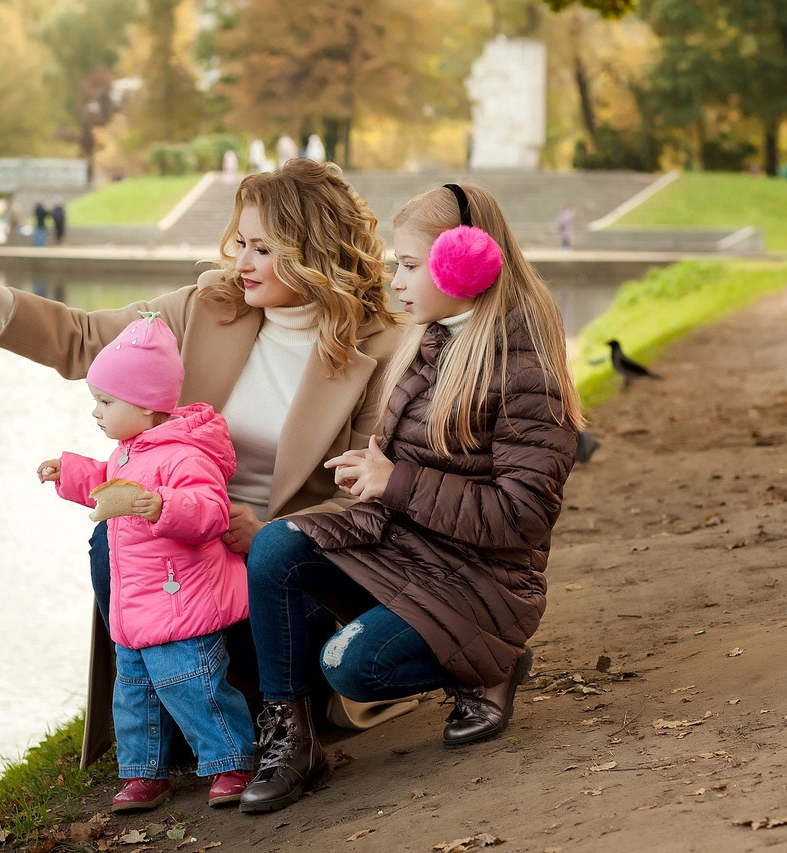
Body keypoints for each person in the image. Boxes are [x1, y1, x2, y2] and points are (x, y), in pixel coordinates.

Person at [0, 157, 405, 767]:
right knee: (110, 540)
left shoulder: (380, 347)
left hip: (289, 560)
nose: (242, 262)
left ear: (315, 253)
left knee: (271, 569)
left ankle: (264, 707)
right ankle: (159, 726)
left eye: (262, 248)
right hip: (186, 535)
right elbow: (86, 339)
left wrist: (272, 534)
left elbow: (365, 492)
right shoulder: (206, 308)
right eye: (241, 243)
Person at [235, 182, 584, 814]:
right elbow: (415, 468)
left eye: (410, 265)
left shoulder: (524, 368)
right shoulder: (431, 338)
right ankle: (292, 739)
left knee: (352, 668)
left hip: (479, 583)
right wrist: (372, 470)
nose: (395, 279)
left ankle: (490, 665)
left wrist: (397, 482)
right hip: (404, 551)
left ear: (467, 264)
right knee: (275, 548)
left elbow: (522, 516)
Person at [38, 312, 256, 811]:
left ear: (146, 405)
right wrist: (69, 473)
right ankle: (143, 772)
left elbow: (210, 511)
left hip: (179, 603)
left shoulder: (185, 456)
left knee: (195, 686)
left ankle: (231, 760)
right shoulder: (125, 452)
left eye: (105, 402)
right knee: (133, 695)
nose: (96, 413)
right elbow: (110, 488)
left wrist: (164, 506)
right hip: (135, 606)